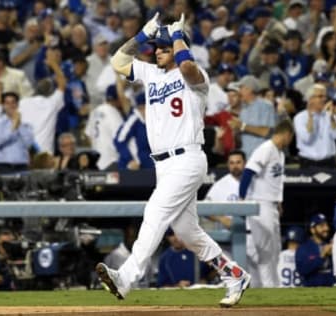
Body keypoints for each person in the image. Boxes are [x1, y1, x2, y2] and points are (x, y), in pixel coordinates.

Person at [96, 13, 251, 308]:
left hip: (187, 158)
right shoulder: (151, 73)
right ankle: (234, 275)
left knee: (154, 211)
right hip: (163, 166)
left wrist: (177, 35)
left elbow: (188, 65)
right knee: (188, 233)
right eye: (157, 47)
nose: (157, 51)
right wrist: (143, 35)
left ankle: (126, 278)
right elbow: (117, 61)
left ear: (179, 47)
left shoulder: (196, 77)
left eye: (163, 47)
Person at [239, 119, 295, 288]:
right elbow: (248, 172)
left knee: (276, 248)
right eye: (291, 137)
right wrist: (242, 198)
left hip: (272, 205)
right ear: (286, 134)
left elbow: (275, 181)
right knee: (264, 250)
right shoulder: (266, 149)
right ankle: (268, 287)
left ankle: (275, 287)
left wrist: (279, 201)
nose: (291, 141)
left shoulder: (281, 153)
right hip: (260, 204)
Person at [293, 84, 336, 169]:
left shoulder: (330, 115)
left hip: (329, 163)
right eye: (320, 96)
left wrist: (331, 118)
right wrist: (311, 118)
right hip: (308, 163)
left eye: (325, 96)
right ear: (310, 99)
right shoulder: (300, 118)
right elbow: (307, 138)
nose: (324, 99)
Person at [0, 91, 35, 174]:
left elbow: (29, 144)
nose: (11, 105)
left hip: (22, 165)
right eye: (7, 103)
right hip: (2, 165)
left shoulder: (26, 124)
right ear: (3, 105)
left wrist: (19, 124)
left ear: (17, 105)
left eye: (13, 102)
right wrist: (13, 127)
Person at [295, 214, 335, 287]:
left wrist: (335, 254)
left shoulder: (332, 245)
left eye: (326, 225)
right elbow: (303, 270)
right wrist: (321, 256)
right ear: (312, 230)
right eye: (321, 226)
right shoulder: (304, 248)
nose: (326, 228)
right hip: (312, 290)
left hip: (331, 289)